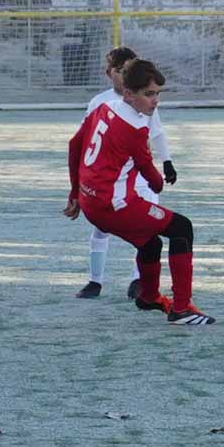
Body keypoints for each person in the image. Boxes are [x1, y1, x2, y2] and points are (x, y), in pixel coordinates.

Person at [64, 59, 214, 325]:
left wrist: (75, 192)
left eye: (158, 94)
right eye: (149, 94)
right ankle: (181, 309)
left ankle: (148, 297)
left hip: (91, 201)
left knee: (151, 242)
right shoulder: (135, 128)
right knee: (182, 228)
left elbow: (75, 144)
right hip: (113, 206)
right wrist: (158, 182)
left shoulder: (103, 108)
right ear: (129, 94)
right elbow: (150, 174)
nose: (155, 101)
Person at [75, 45, 178, 300]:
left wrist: (167, 161)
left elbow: (157, 132)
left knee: (149, 231)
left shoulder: (146, 99)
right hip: (110, 181)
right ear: (109, 73)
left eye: (129, 69)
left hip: (139, 176)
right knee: (100, 229)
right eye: (120, 71)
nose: (125, 75)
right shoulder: (100, 103)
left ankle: (138, 280)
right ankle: (95, 280)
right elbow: (83, 141)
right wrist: (79, 186)